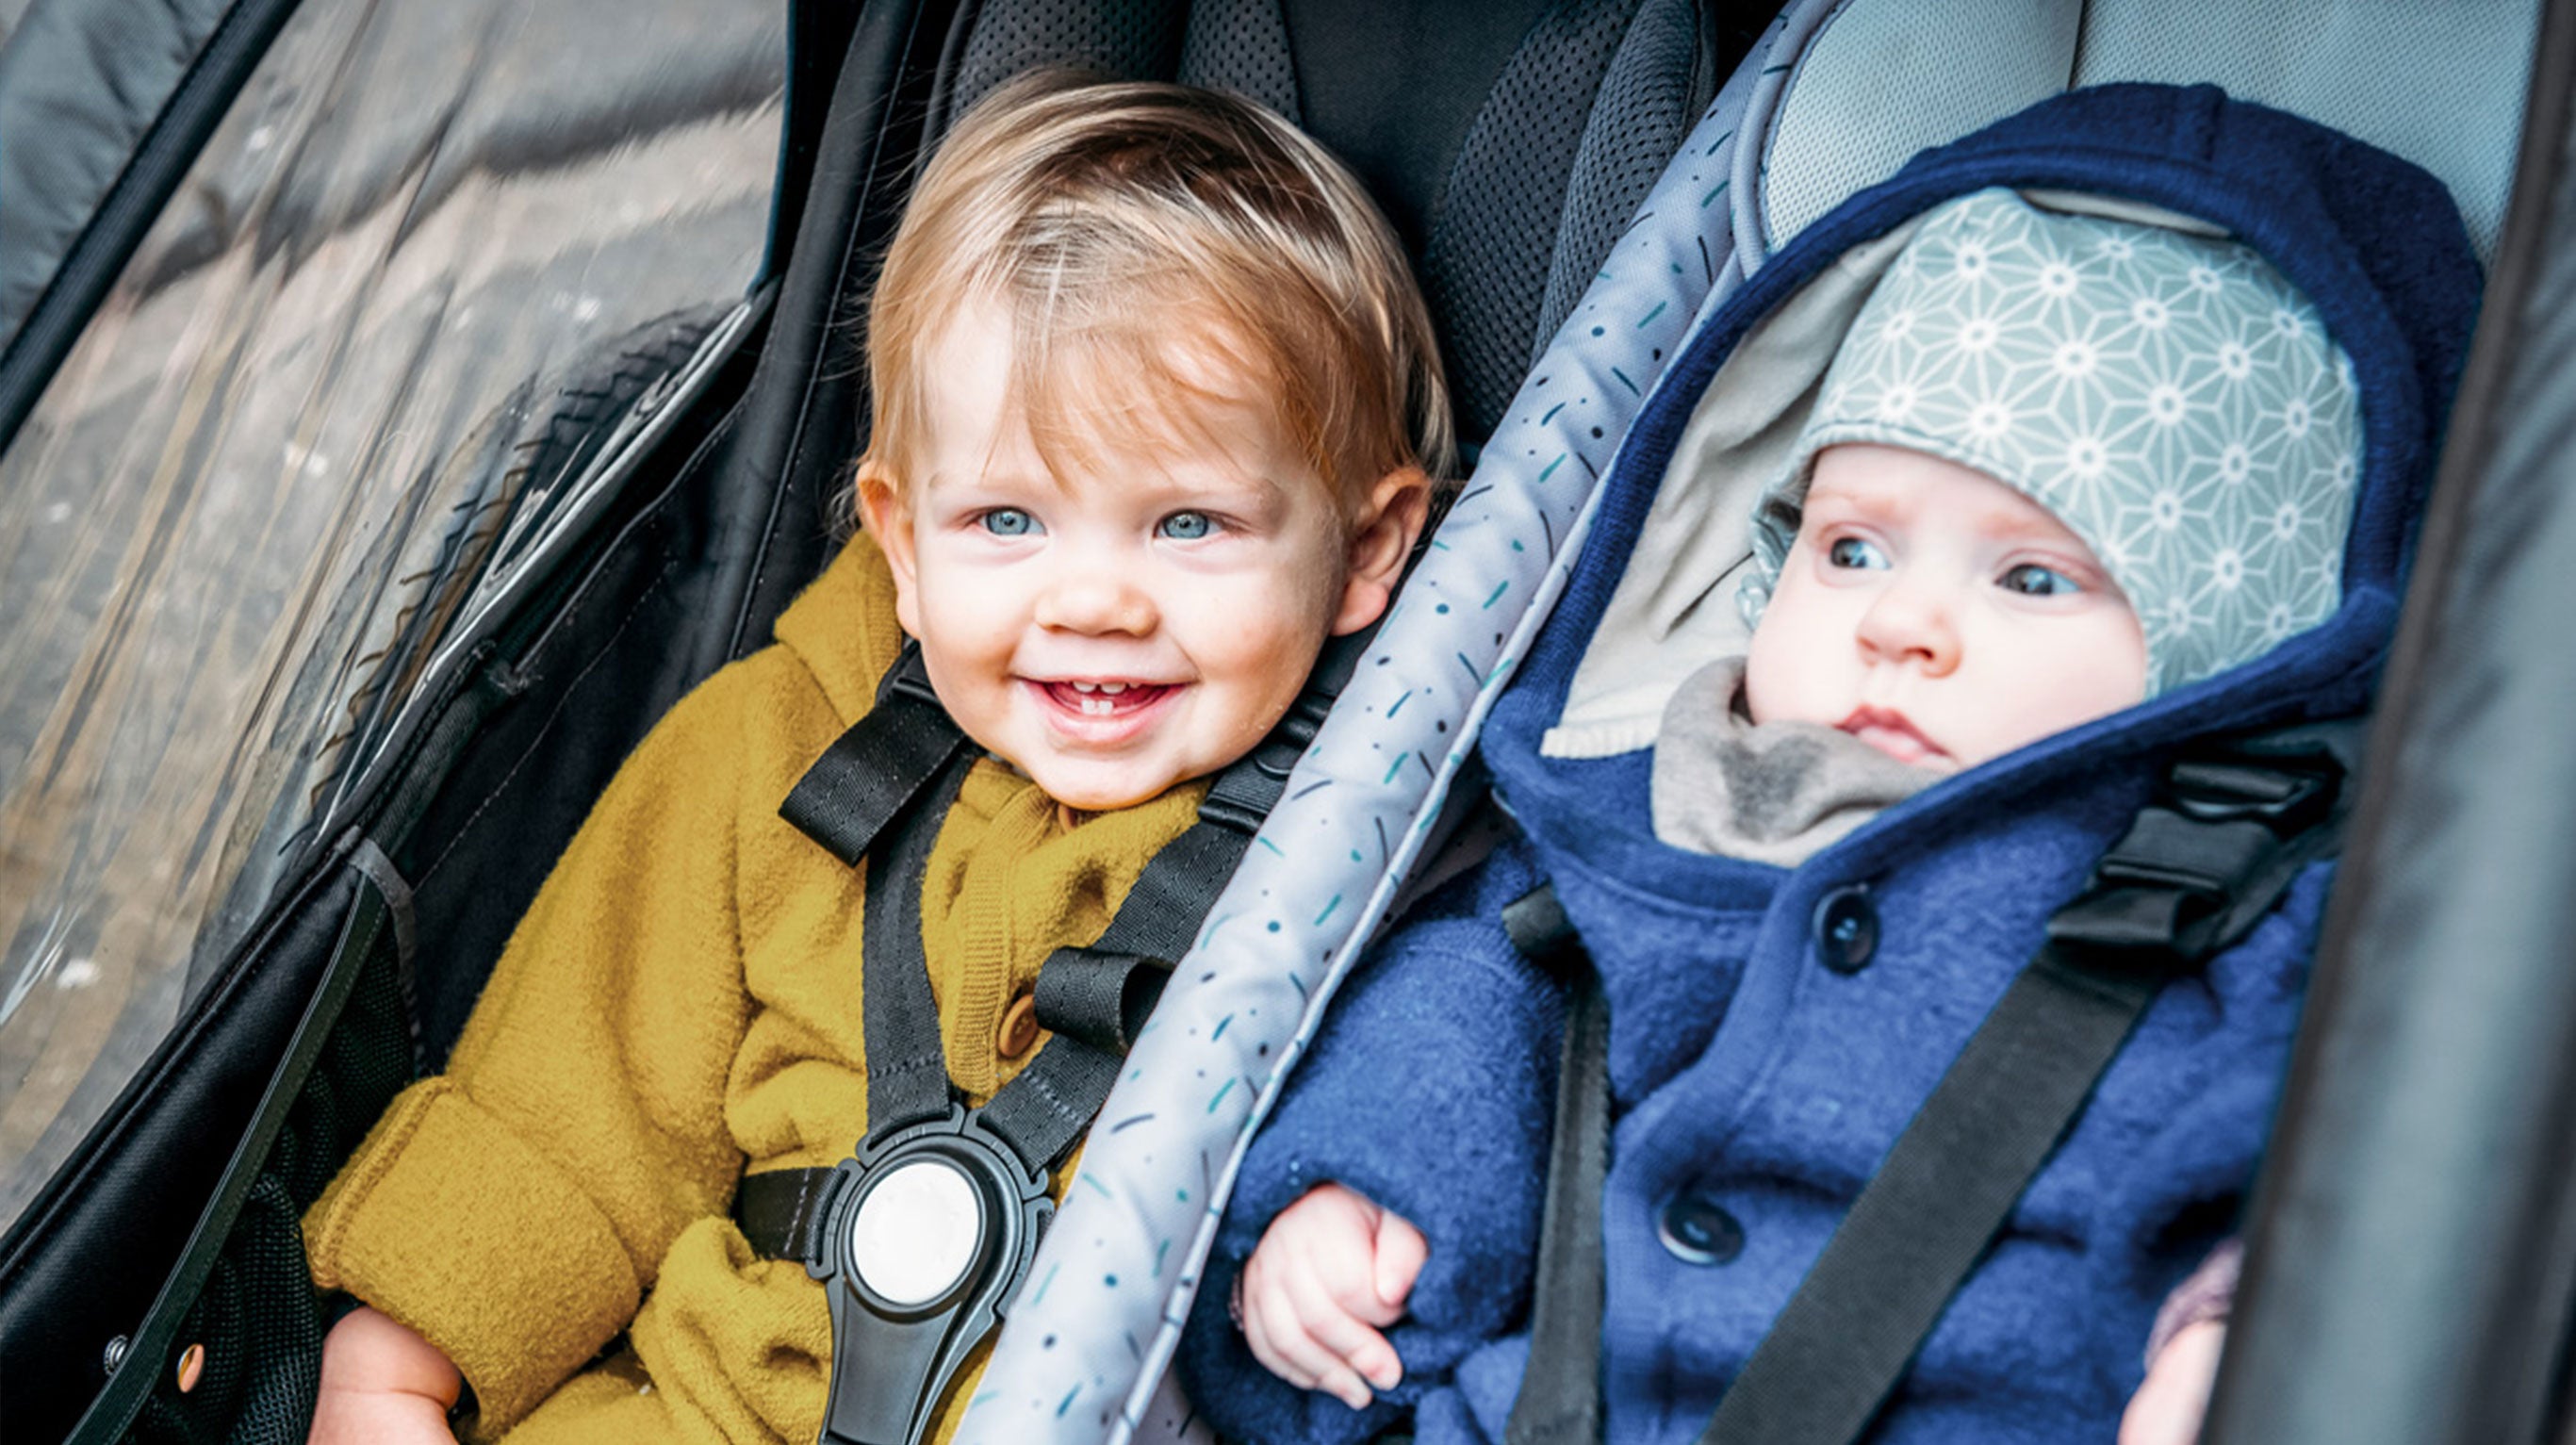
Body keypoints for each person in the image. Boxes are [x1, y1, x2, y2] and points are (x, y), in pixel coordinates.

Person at [1177, 84, 2480, 1445]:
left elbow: (2350, 1140)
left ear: (2243, 649)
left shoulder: (2260, 897)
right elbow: (1480, 996)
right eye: (1851, 549)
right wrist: (1363, 1189)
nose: (1898, 623)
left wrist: (2238, 1322)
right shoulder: (1664, 802)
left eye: (2032, 578)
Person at [302, 73, 1450, 1445]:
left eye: (1189, 525)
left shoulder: (1370, 825)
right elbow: (572, 1097)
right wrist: (397, 1363)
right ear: (901, 544)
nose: (1093, 601)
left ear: (1365, 548)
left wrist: (1340, 1197)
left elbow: (1435, 1057)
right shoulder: (775, 749)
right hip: (706, 1406)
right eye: (1007, 520)